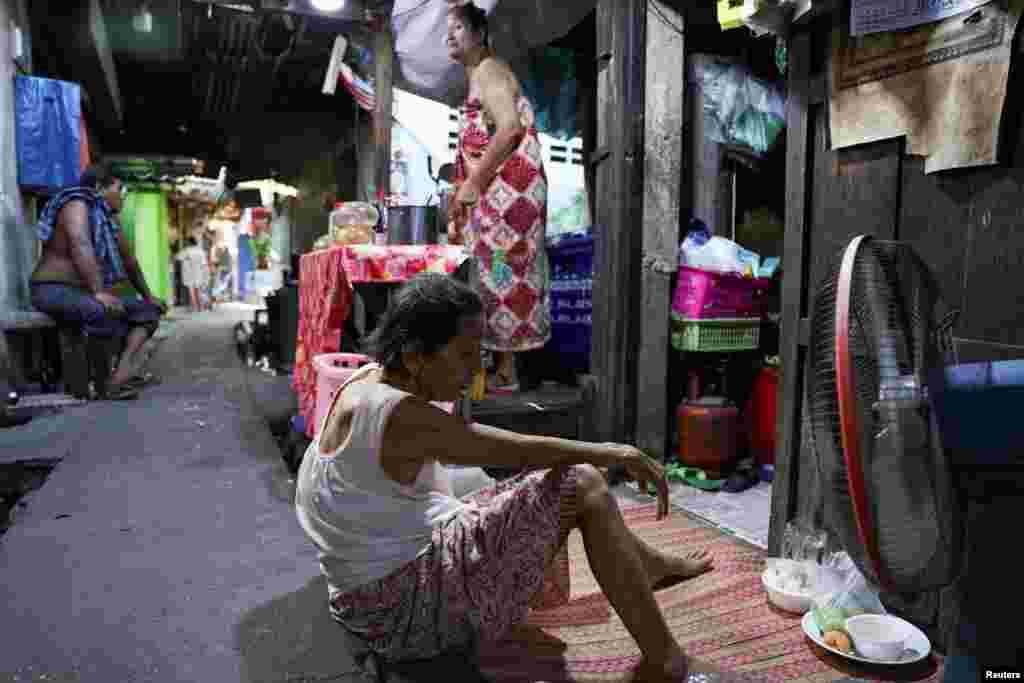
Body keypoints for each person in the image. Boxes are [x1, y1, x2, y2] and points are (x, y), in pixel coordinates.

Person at [295, 273, 767, 683]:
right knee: (580, 484)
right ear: (417, 355)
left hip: (365, 594)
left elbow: (476, 448)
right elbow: (507, 448)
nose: (474, 369)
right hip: (396, 611)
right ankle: (668, 662)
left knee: (511, 486)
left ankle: (646, 565)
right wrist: (613, 453)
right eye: (464, 355)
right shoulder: (399, 414)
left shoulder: (368, 381)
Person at [446, 2, 550, 394]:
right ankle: (503, 362)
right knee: (497, 269)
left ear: (479, 34)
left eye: (458, 27)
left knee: (504, 267)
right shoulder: (479, 76)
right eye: (448, 29)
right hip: (502, 191)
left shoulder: (489, 71)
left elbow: (508, 129)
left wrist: (474, 183)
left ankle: (508, 370)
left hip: (511, 195)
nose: (449, 35)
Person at [30, 164, 166, 400]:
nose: (123, 195)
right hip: (51, 290)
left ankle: (121, 375)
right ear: (99, 188)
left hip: (84, 294)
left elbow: (129, 260)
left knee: (148, 312)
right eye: (119, 188)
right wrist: (99, 291)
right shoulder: (76, 205)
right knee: (101, 310)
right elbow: (79, 244)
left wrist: (148, 296)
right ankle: (102, 385)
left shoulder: (107, 218)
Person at [175, 236, 210, 313]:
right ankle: (200, 307)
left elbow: (177, 257)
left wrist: (186, 260)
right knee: (198, 291)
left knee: (192, 291)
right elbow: (204, 264)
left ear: (189, 242)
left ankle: (194, 307)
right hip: (199, 273)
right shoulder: (201, 251)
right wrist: (206, 275)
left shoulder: (187, 250)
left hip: (190, 273)